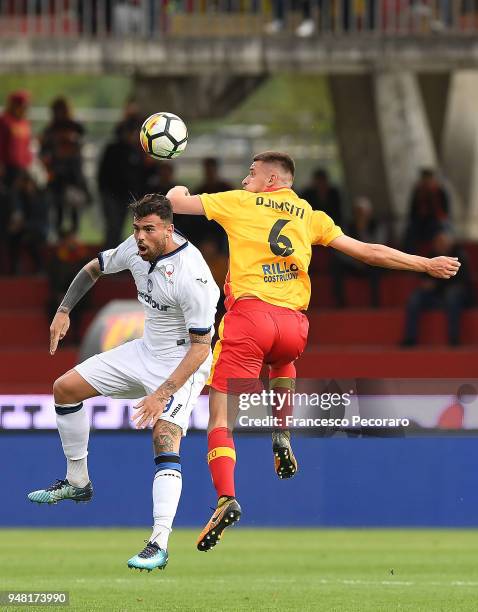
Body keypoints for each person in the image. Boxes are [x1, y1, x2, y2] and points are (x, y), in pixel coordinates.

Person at [166, 151, 461, 552]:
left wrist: (177, 187)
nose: (246, 178)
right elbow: (368, 252)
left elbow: (174, 204)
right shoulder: (310, 215)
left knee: (221, 417)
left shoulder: (237, 202)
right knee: (282, 358)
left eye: (252, 173)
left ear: (272, 179)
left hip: (250, 317)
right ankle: (282, 431)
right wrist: (424, 264)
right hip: (293, 325)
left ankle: (226, 496)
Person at [27, 194, 220, 572]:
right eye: (137, 229)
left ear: (169, 229)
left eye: (149, 230)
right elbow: (93, 268)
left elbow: (201, 348)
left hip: (183, 362)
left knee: (164, 436)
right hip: (145, 350)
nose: (140, 237)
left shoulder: (191, 276)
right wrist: (64, 310)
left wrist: (161, 394)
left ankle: (158, 543)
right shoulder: (135, 248)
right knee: (64, 388)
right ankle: (77, 481)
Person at [401, 226, 471, 347]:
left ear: (450, 243)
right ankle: (410, 338)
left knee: (452, 294)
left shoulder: (459, 256)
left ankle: (453, 339)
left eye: (443, 242)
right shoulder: (432, 256)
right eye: (438, 242)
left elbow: (463, 282)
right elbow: (425, 281)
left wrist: (438, 283)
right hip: (435, 296)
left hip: (457, 297)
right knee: (415, 298)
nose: (441, 245)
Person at [40, 97, 89, 235]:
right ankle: (59, 234)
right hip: (57, 174)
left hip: (73, 173)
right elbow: (44, 151)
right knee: (58, 206)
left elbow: (82, 142)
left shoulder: (75, 127)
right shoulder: (50, 129)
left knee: (74, 206)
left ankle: (74, 234)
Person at [331, 196, 385, 307]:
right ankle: (340, 304)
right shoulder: (347, 226)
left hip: (370, 262)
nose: (360, 215)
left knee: (379, 267)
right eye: (358, 212)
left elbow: (379, 246)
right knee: (335, 265)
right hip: (352, 263)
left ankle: (376, 305)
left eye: (363, 212)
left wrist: (363, 231)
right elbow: (340, 248)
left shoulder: (377, 226)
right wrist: (355, 259)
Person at [98, 118, 145, 248]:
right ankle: (109, 259)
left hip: (128, 196)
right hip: (112, 195)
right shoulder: (113, 150)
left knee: (129, 228)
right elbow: (104, 175)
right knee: (113, 228)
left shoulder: (135, 151)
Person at [403, 168, 450, 253]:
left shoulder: (439, 190)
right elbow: (413, 208)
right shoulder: (418, 191)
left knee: (443, 233)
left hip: (436, 220)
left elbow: (445, 209)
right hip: (420, 220)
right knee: (409, 233)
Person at [0, 90, 32, 188]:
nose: (24, 108)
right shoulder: (5, 121)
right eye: (21, 105)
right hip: (8, 167)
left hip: (23, 167)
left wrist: (28, 163)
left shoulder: (25, 123)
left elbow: (27, 145)